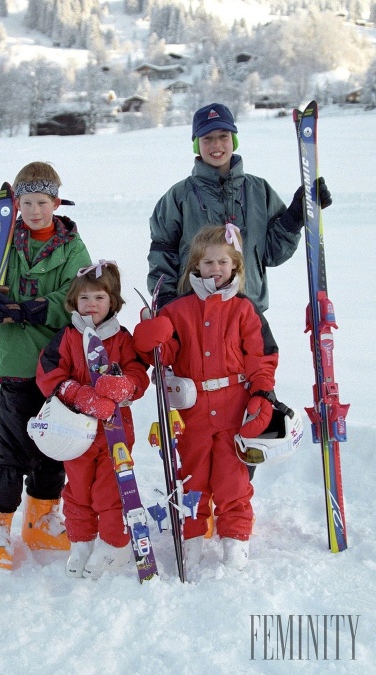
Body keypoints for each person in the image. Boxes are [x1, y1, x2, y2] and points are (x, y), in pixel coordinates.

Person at [0, 161, 91, 569]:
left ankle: (41, 518)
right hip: (14, 362)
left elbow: (80, 293)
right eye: (26, 202)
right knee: (13, 448)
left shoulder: (71, 247)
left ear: (55, 202)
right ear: (16, 205)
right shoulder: (2, 242)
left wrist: (40, 307)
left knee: (54, 446)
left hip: (57, 366)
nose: (34, 211)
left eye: (42, 202)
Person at [134, 224, 279, 573]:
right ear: (195, 266)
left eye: (223, 262)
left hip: (234, 409)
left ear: (236, 267)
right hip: (191, 411)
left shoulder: (245, 310)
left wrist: (261, 393)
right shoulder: (177, 310)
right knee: (191, 477)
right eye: (207, 262)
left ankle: (235, 540)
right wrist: (151, 334)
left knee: (233, 479)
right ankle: (192, 536)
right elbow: (163, 355)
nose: (215, 269)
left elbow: (261, 357)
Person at [147, 102, 332, 311]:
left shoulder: (259, 190)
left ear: (233, 140)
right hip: (194, 315)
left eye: (223, 136)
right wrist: (165, 298)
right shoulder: (178, 197)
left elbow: (272, 253)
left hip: (249, 313)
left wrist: (295, 217)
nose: (216, 144)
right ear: (196, 144)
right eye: (207, 138)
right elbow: (162, 255)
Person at [36, 261, 150, 580]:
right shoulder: (68, 337)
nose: (92, 305)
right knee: (79, 491)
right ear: (74, 301)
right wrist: (77, 394)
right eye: (84, 298)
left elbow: (139, 371)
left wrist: (126, 384)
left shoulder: (122, 338)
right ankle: (82, 542)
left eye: (99, 297)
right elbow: (48, 373)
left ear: (112, 300)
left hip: (115, 433)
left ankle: (115, 545)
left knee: (110, 490)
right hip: (77, 433)